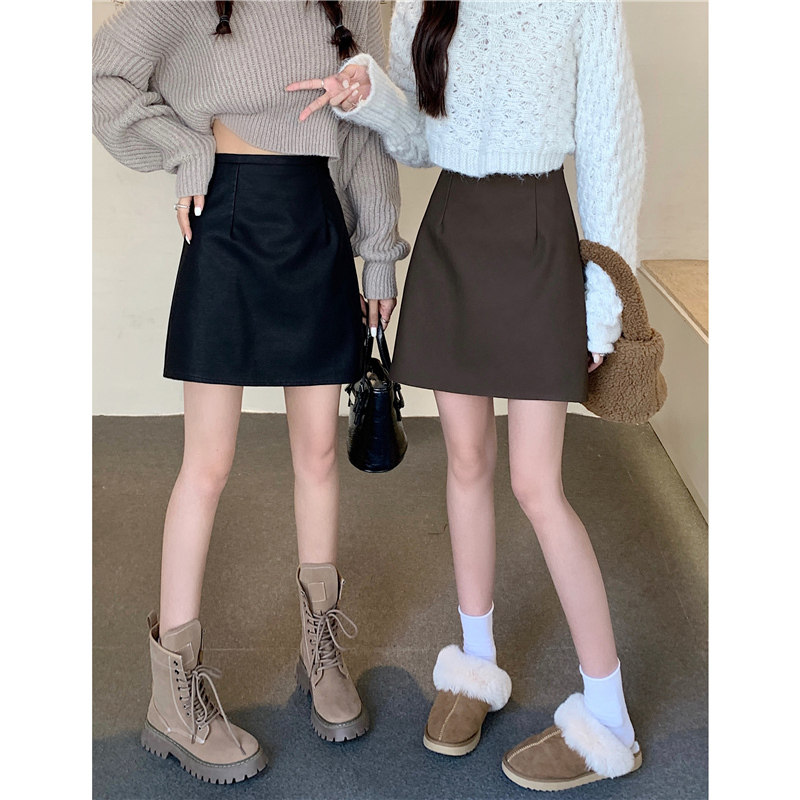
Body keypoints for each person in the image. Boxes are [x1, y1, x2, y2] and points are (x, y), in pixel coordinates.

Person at [289, 0, 645, 790]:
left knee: (537, 485)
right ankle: (474, 669)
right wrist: (371, 93)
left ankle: (609, 717)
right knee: (466, 462)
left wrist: (603, 304)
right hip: (454, 236)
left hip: (539, 238)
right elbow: (421, 139)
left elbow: (613, 145)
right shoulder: (424, 2)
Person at [92, 0, 408, 784]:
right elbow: (102, 77)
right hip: (226, 221)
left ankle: (319, 649)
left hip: (316, 223)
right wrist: (185, 148)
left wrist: (377, 252)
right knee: (206, 463)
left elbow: (367, 132)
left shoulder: (356, 3)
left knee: (317, 452)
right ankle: (172, 697)